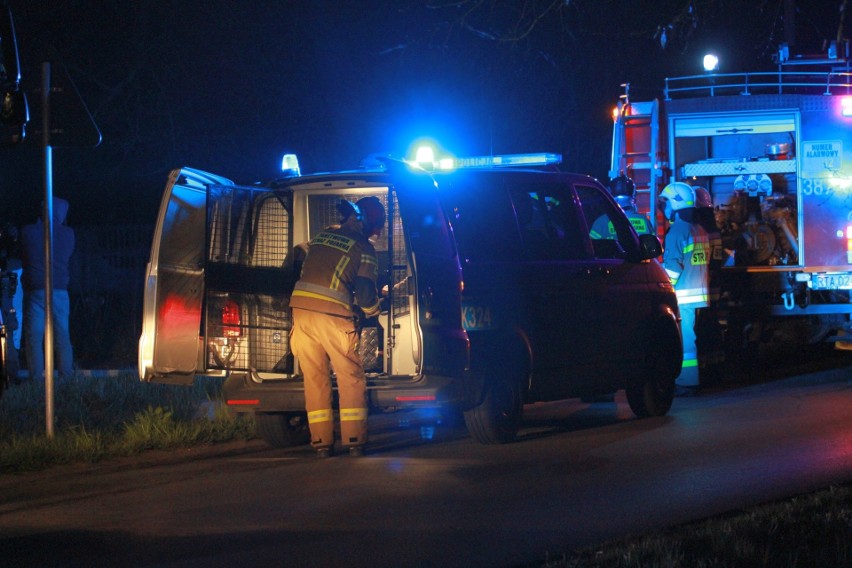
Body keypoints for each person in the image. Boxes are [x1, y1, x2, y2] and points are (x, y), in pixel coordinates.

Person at [288, 196, 385, 458]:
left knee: (315, 378)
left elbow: (301, 260)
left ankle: (321, 443)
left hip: (301, 313)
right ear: (370, 223)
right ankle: (354, 441)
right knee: (349, 376)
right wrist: (374, 312)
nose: (376, 234)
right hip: (332, 317)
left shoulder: (323, 235)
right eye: (377, 228)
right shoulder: (365, 248)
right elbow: (365, 293)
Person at [659, 182, 710, 396]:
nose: (664, 210)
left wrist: (661, 287)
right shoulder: (698, 229)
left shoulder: (677, 230)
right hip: (696, 292)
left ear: (674, 204)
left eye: (666, 204)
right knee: (690, 337)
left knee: (685, 340)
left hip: (683, 294)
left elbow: (672, 266)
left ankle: (687, 381)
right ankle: (690, 378)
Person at [20, 197, 75, 380]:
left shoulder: (28, 232)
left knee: (34, 337)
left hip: (36, 290)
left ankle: (36, 379)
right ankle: (66, 376)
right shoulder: (69, 234)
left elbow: (24, 252)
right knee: (62, 336)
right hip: (59, 290)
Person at [693, 187, 726, 384]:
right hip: (713, 286)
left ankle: (705, 368)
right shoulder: (713, 230)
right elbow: (717, 260)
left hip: (703, 285)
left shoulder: (699, 230)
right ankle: (716, 368)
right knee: (712, 325)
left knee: (702, 327)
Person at [591, 174, 653, 239]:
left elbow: (591, 245)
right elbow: (653, 244)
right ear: (633, 196)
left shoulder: (601, 222)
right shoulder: (644, 220)